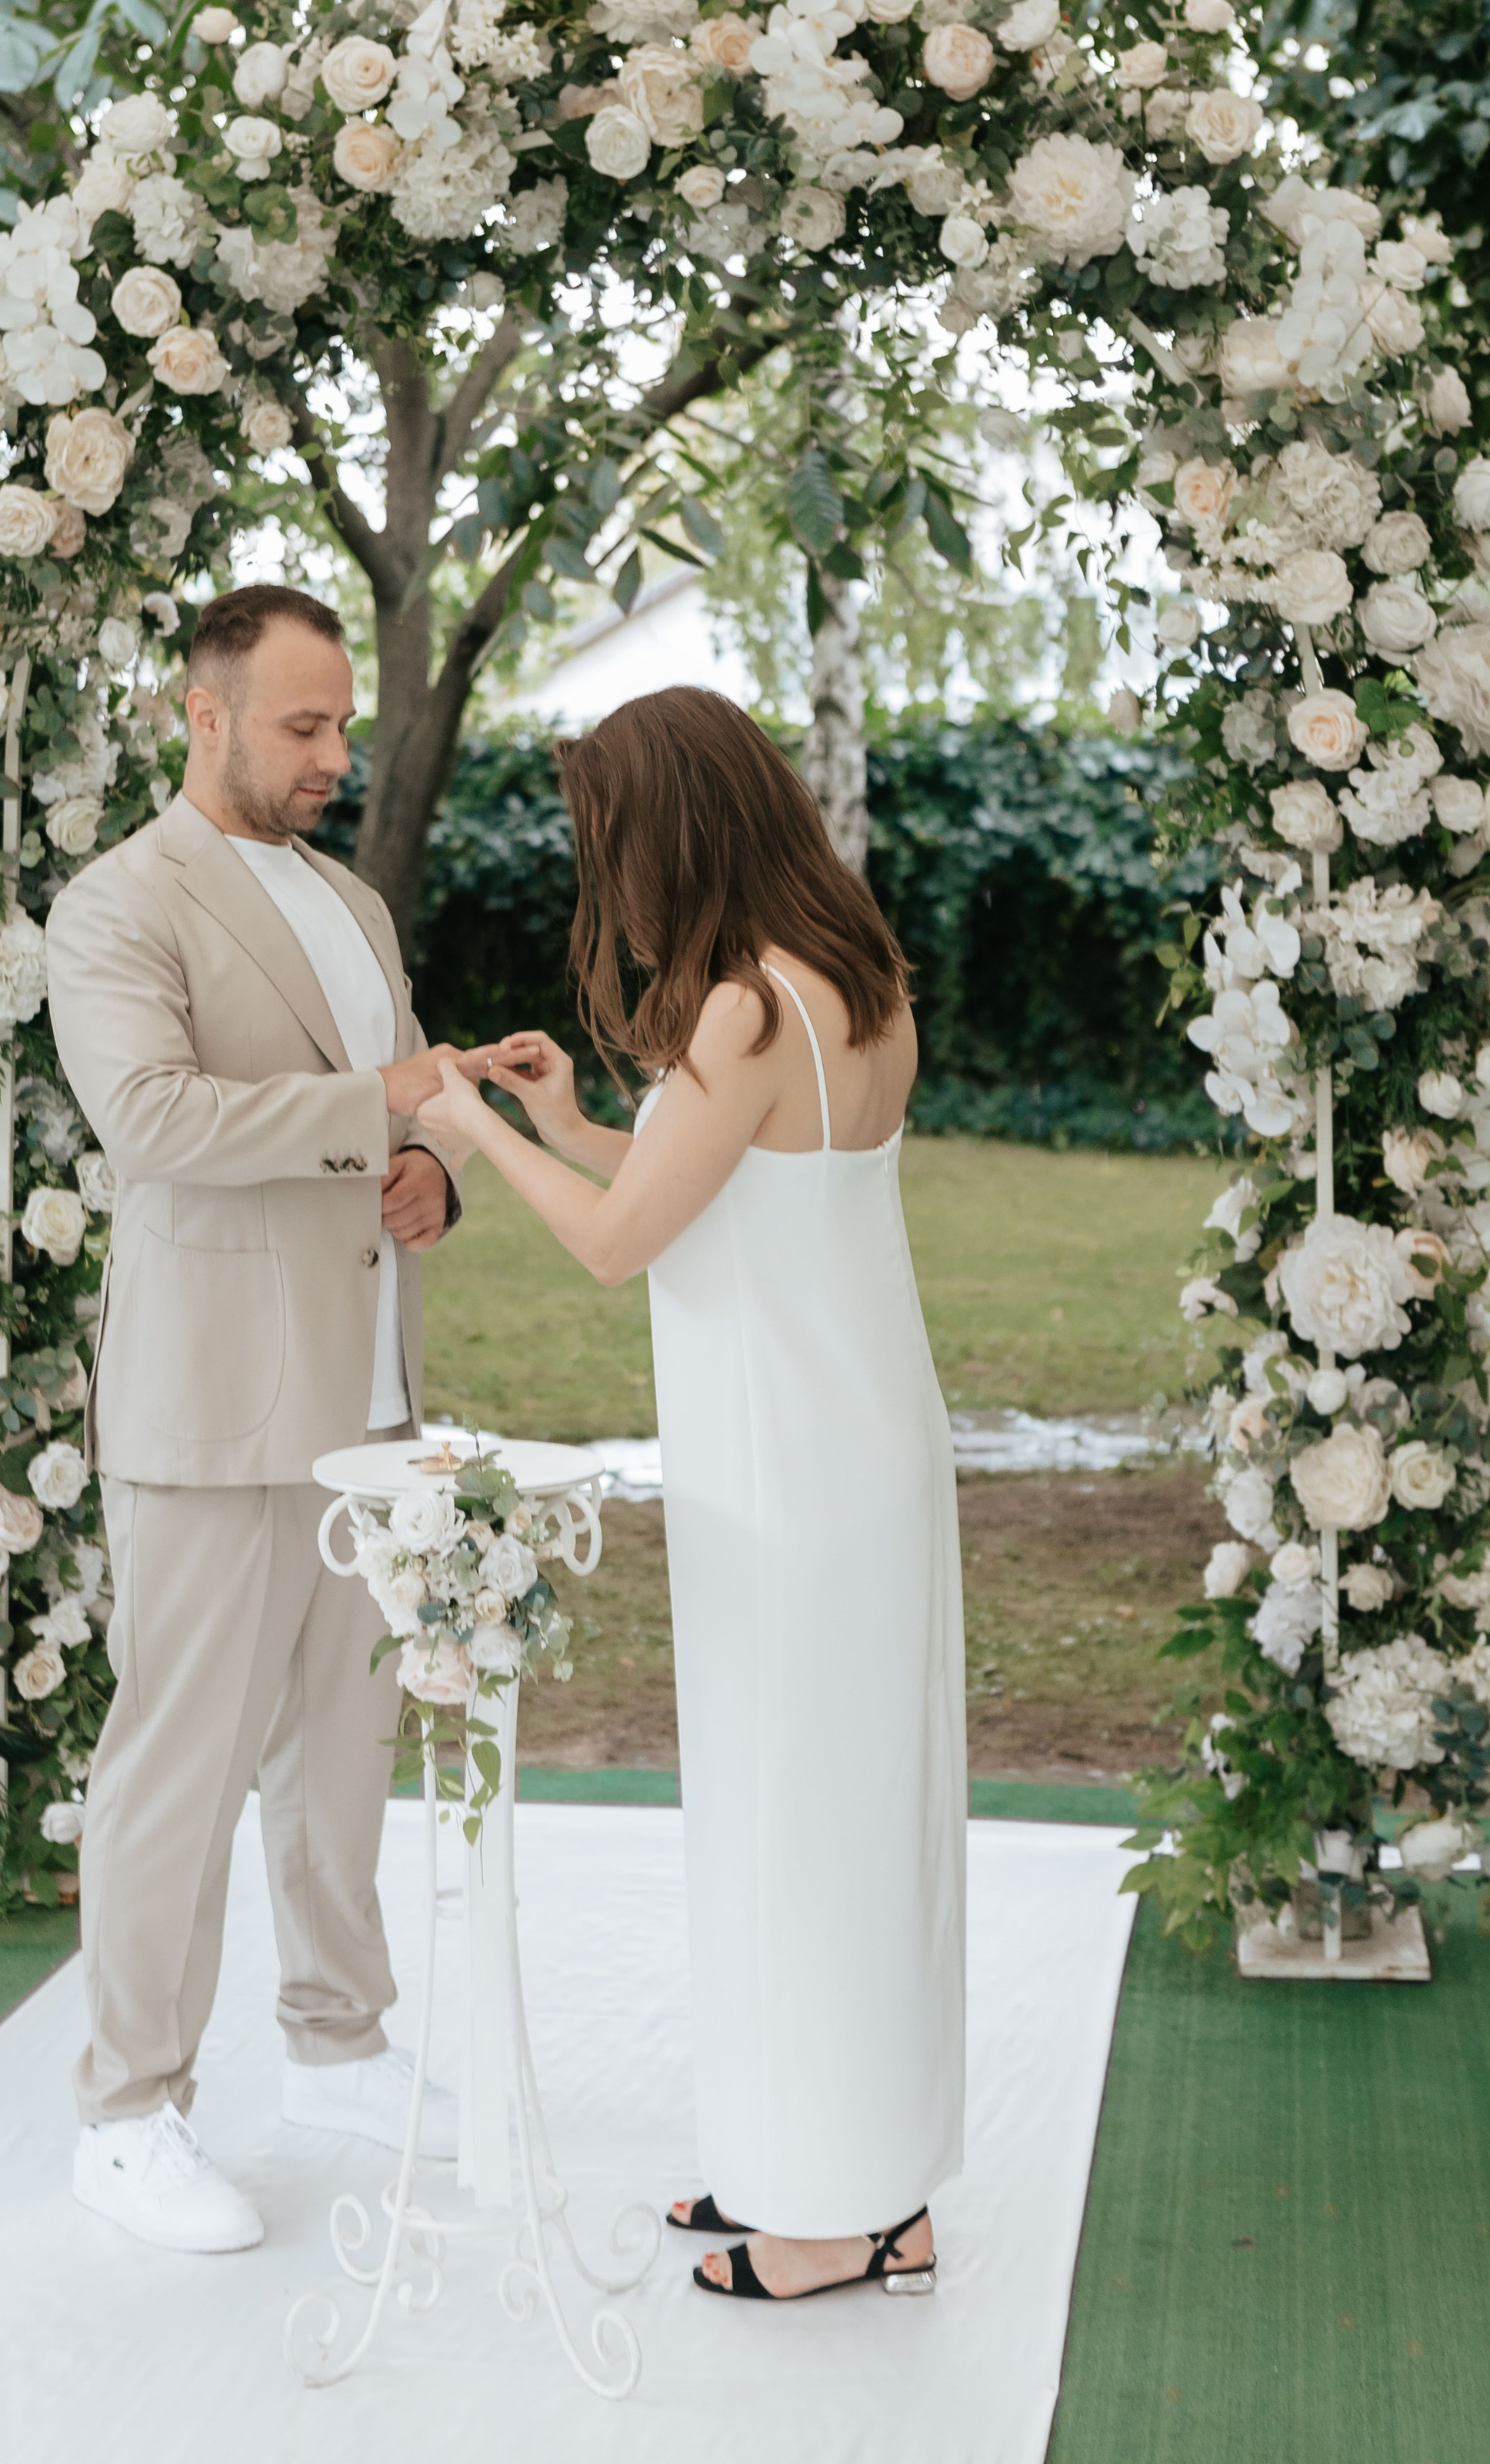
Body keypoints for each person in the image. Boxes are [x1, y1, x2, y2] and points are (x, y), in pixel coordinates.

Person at [417, 685, 965, 2305]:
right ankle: (864, 2185)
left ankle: (822, 2221)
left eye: (613, 838)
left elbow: (614, 1248)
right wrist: (566, 1118)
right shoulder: (846, 983)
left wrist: (458, 1124)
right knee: (844, 1823)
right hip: (844, 1455)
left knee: (799, 1825)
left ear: (675, 828)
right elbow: (718, 1209)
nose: (610, 872)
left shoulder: (739, 1007)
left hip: (795, 1479)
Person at [47, 582, 491, 2256]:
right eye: (300, 728)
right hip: (215, 1408)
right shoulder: (116, 907)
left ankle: (337, 2047)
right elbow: (152, 1120)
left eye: (338, 729)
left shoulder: (355, 909)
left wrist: (434, 1164)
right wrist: (373, 1104)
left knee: (342, 1755)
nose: (330, 756)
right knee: (179, 1763)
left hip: (366, 1403)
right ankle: (126, 2111)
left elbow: (403, 1108)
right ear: (203, 713)